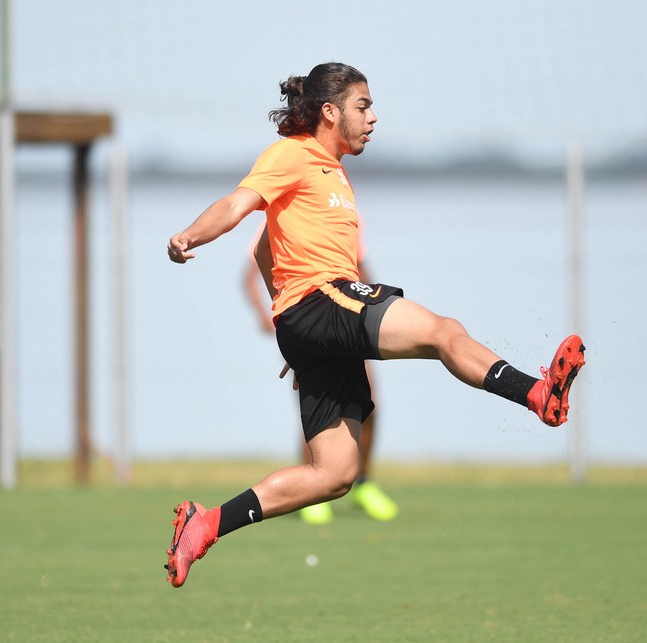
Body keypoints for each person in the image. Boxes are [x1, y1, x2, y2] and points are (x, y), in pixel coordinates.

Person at [164, 62, 585, 588]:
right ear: (330, 111)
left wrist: (292, 336)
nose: (373, 117)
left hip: (308, 319)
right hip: (320, 301)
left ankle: (205, 525)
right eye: (363, 107)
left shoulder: (333, 171)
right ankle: (538, 394)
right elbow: (236, 205)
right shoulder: (292, 154)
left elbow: (268, 249)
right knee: (442, 331)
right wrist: (188, 237)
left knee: (336, 474)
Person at [243, 224, 398, 524]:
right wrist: (269, 315)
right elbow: (253, 270)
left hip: (346, 319)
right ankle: (312, 492)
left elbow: (361, 269)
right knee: (316, 410)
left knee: (369, 404)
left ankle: (364, 483)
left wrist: (370, 312)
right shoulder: (286, 214)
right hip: (309, 322)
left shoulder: (344, 212)